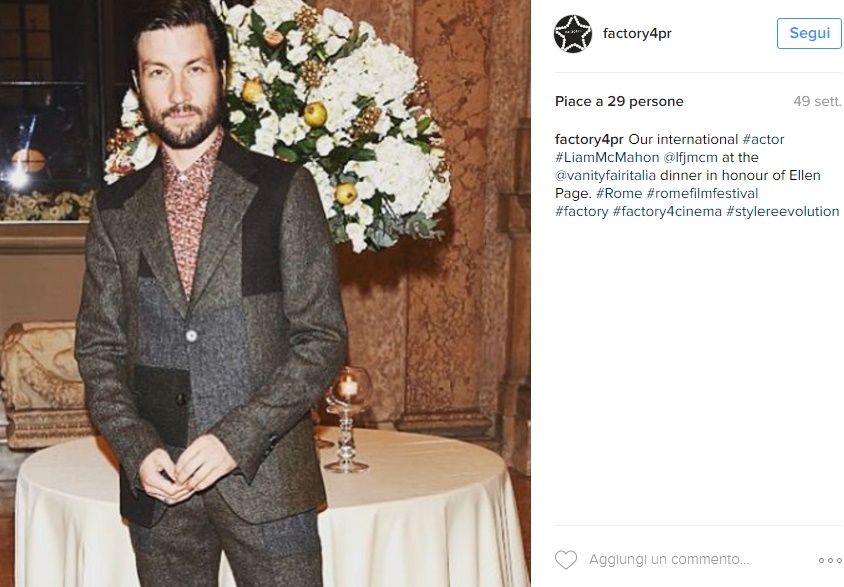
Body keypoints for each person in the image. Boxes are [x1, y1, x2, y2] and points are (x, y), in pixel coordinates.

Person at [74, 0, 347, 585]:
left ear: (222, 72)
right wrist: (135, 448)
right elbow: (99, 351)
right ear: (137, 85)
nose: (178, 92)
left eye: (194, 68)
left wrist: (236, 439)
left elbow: (321, 339)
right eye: (158, 72)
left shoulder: (284, 190)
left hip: (270, 481)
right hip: (160, 489)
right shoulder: (115, 210)